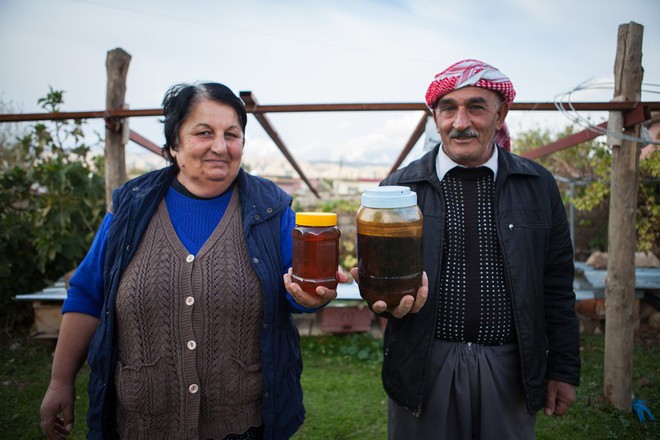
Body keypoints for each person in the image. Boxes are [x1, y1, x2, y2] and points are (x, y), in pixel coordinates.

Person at [39, 82, 345, 440]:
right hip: (139, 424)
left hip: (241, 426)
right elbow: (87, 296)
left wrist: (312, 297)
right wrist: (60, 382)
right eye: (204, 133)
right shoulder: (130, 209)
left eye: (232, 134)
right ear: (174, 144)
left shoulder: (271, 211)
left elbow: (298, 288)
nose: (220, 146)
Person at [373, 59, 581, 439]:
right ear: (434, 117)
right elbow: (382, 280)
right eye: (448, 108)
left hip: (510, 366)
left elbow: (556, 285)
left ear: (500, 113)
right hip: (423, 363)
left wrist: (563, 369)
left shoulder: (537, 185)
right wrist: (377, 292)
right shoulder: (399, 190)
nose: (460, 121)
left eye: (476, 107)